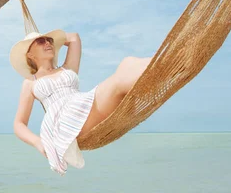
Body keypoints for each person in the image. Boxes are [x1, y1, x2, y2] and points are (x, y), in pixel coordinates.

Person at [11, 29, 151, 175]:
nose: (47, 42)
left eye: (50, 40)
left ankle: (167, 62)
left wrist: (54, 41)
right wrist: (38, 143)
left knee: (127, 62)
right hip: (67, 121)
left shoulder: (67, 68)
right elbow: (19, 124)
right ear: (30, 54)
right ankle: (171, 63)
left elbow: (74, 38)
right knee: (119, 81)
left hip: (84, 105)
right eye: (41, 41)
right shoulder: (30, 83)